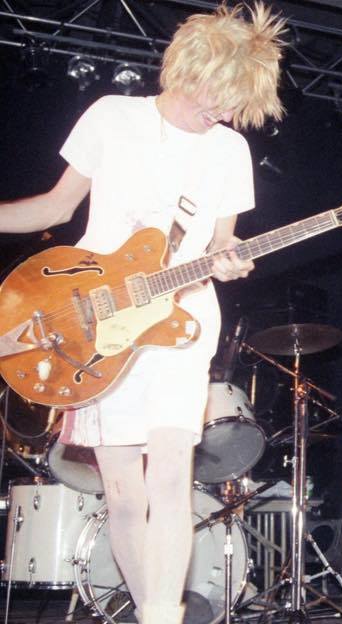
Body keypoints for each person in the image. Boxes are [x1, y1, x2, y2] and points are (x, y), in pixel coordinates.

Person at [0, 4, 284, 623]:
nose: (226, 112)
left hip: (182, 318)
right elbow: (55, 207)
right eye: (221, 95)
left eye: (237, 103)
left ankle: (163, 614)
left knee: (171, 473)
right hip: (98, 321)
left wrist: (231, 259)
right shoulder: (112, 116)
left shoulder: (229, 150)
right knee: (125, 490)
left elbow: (221, 242)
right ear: (190, 68)